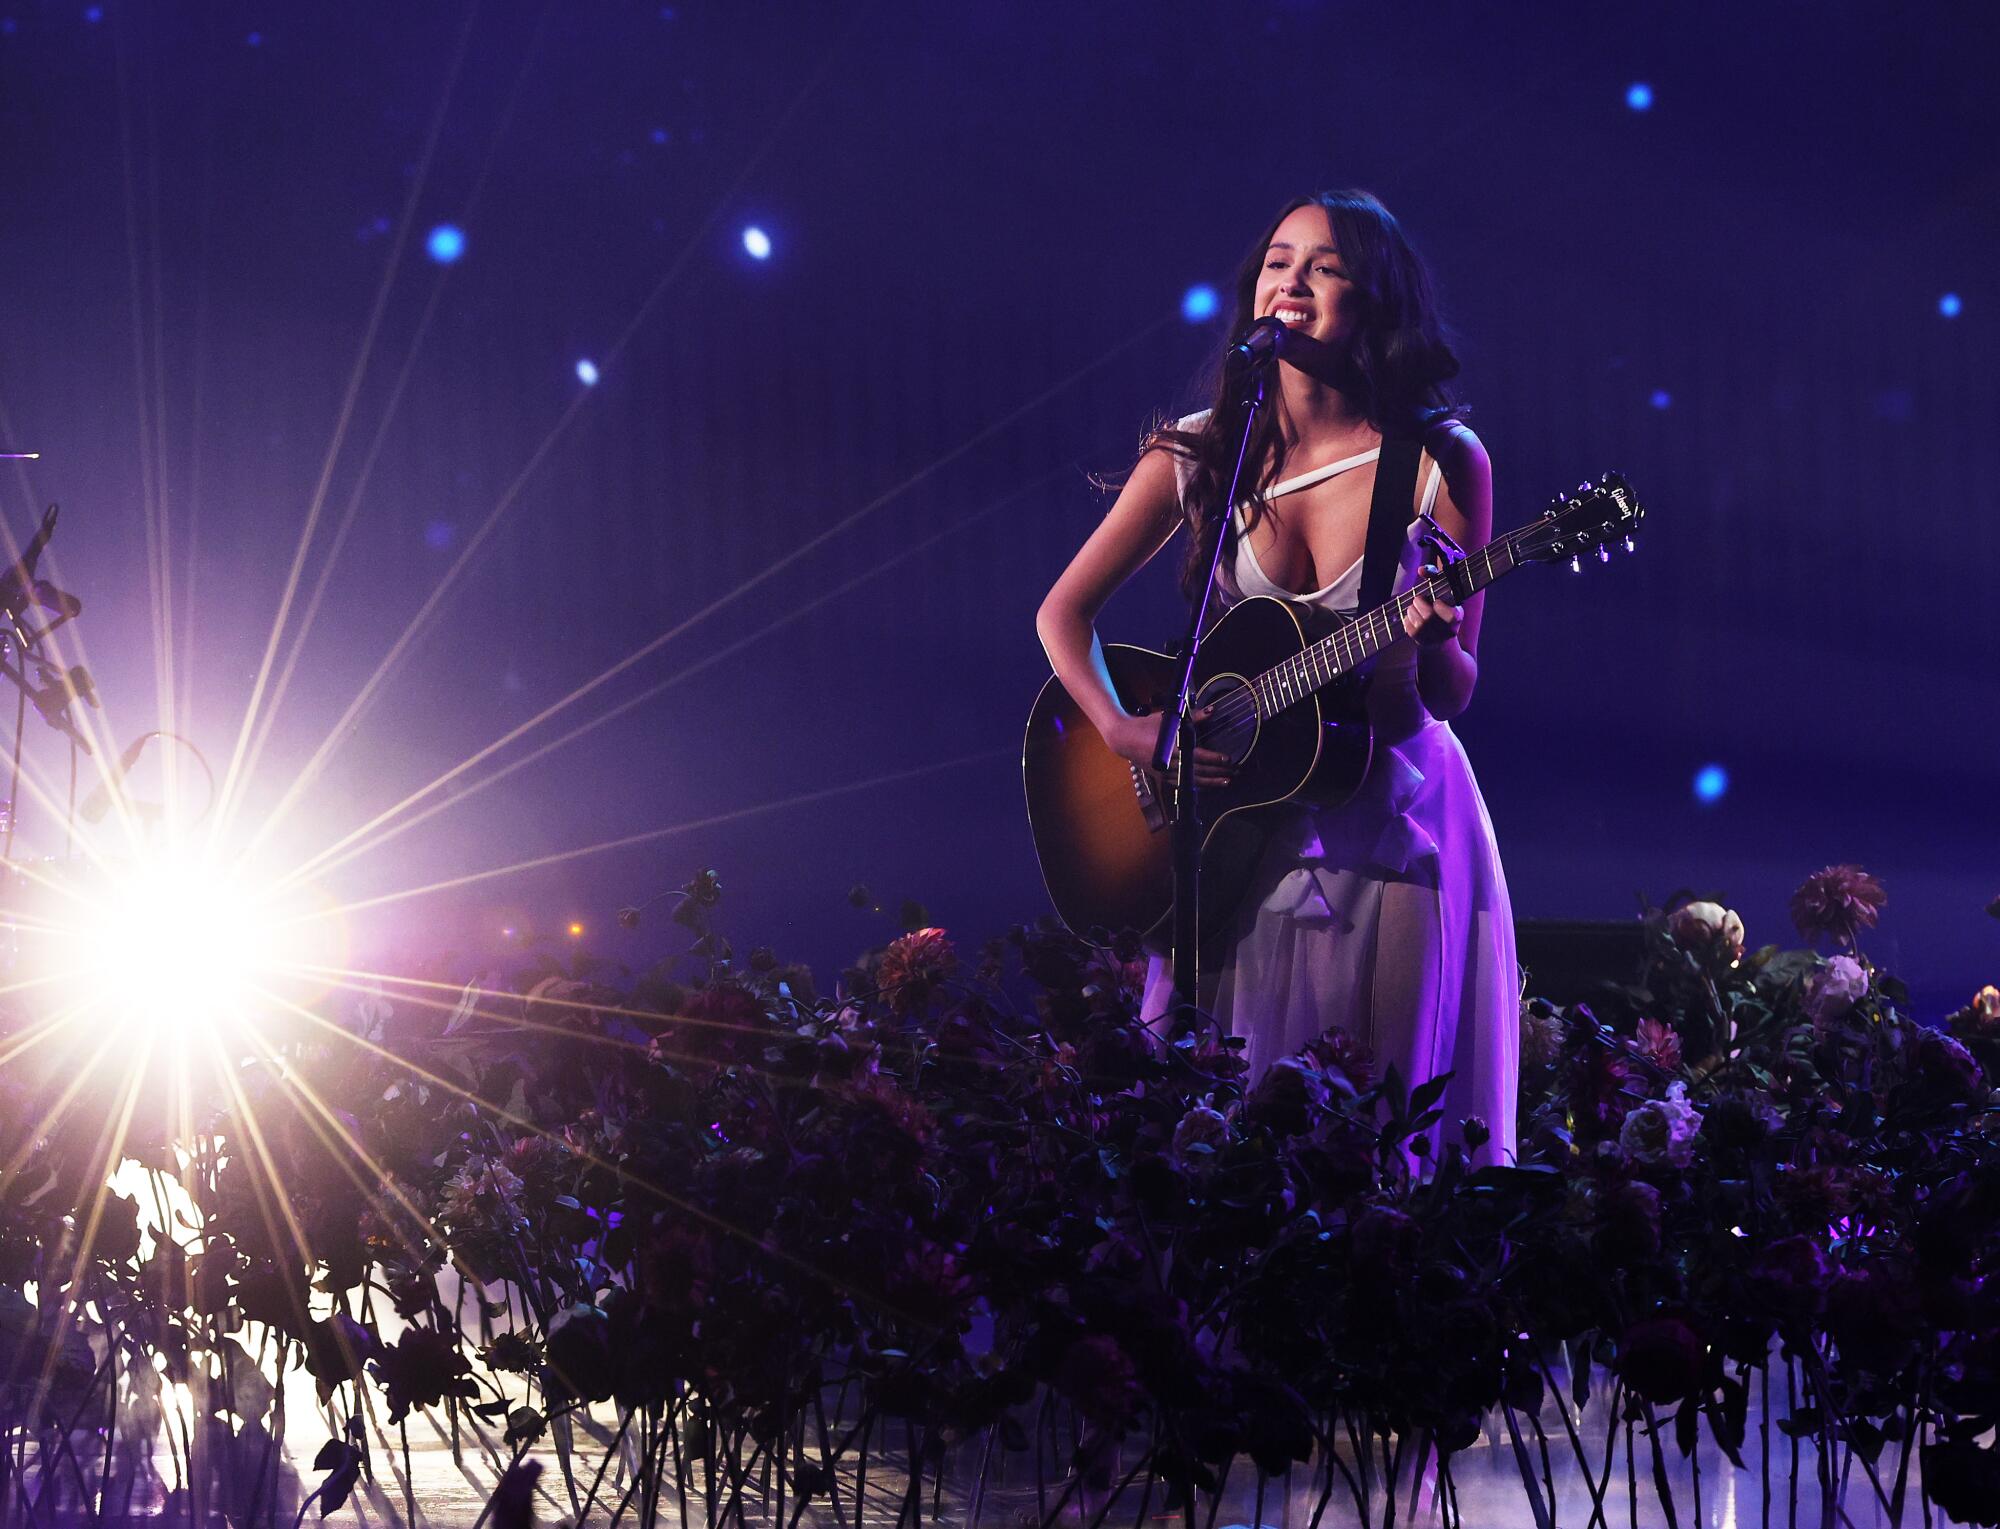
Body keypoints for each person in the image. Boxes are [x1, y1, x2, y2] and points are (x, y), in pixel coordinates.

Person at [1034, 190, 1517, 1161]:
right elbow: (1062, 614)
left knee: (1371, 1132)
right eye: (1275, 262)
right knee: (1221, 1129)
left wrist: (1424, 637)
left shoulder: (1435, 462)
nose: (1290, 281)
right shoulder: (1202, 448)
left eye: (1323, 266)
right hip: (1236, 825)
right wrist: (1128, 729)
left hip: (1387, 819)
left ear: (1372, 296)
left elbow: (1452, 691)